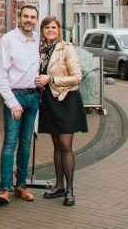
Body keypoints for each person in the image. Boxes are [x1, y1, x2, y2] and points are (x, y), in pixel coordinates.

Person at [34, 16, 88, 207]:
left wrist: (52, 80)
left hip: (65, 99)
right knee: (56, 144)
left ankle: (70, 190)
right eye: (46, 27)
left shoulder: (67, 49)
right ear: (42, 30)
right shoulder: (39, 49)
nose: (50, 30)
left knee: (66, 145)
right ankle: (58, 186)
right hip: (48, 100)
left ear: (59, 30)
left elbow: (77, 77)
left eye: (53, 27)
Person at [0, 5, 40, 204]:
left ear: (36, 20)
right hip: (16, 97)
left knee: (26, 143)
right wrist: (12, 102)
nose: (29, 20)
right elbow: (1, 75)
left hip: (33, 98)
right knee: (10, 143)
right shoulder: (9, 40)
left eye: (33, 17)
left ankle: (21, 186)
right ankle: (5, 188)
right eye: (26, 16)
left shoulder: (39, 40)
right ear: (19, 17)